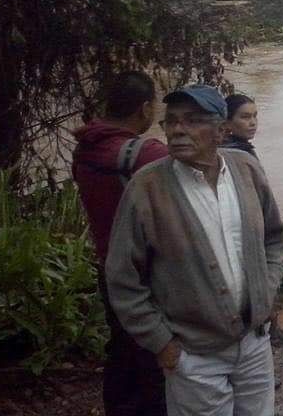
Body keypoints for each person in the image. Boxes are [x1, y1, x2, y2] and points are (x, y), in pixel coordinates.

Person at [106, 84, 283, 416]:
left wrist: (268, 290)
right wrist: (161, 342)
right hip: (193, 353)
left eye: (192, 121)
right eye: (171, 121)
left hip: (254, 343)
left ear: (221, 130)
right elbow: (122, 278)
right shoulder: (146, 188)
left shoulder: (246, 170)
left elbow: (274, 238)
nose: (178, 130)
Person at [72, 71, 170, 416]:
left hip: (109, 269)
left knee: (123, 351)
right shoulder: (146, 154)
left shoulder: (86, 147)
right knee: (158, 360)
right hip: (149, 275)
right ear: (145, 108)